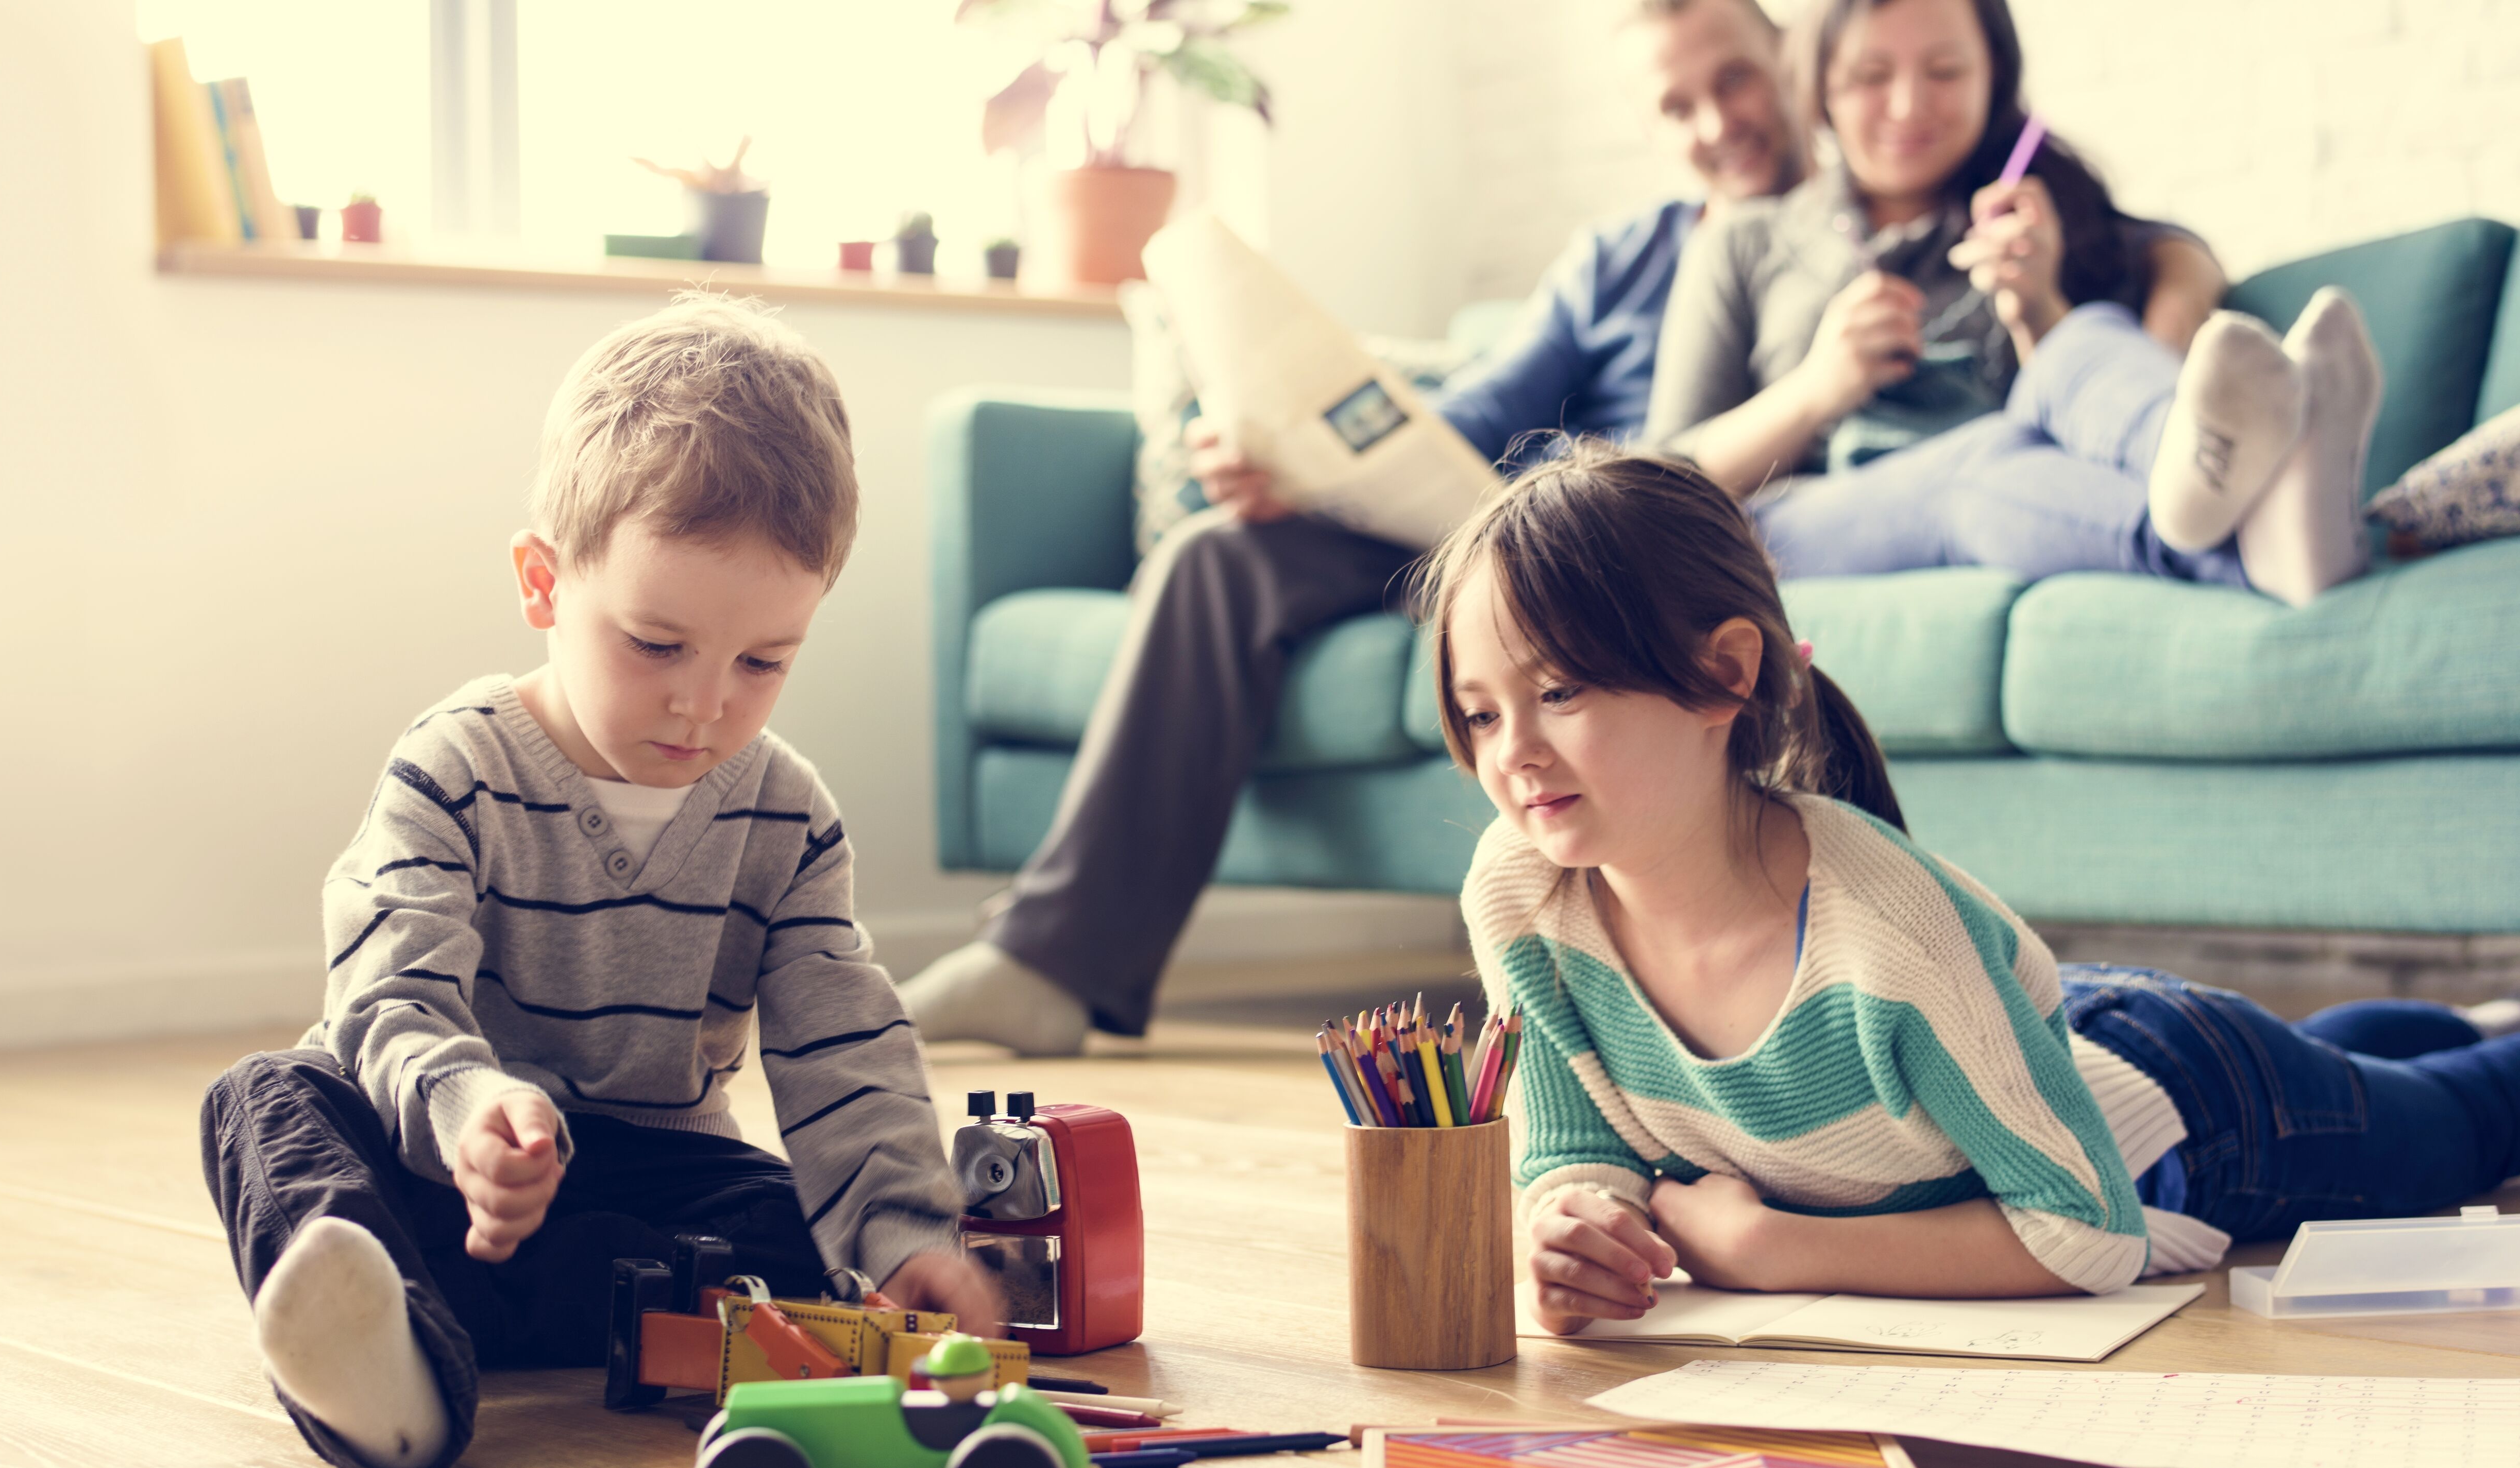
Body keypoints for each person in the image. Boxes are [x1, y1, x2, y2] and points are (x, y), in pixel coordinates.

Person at [1424, 445, 2519, 1327]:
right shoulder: (1522, 896)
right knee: (2358, 1060)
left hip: (2195, 1111)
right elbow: (1575, 1145)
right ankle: (2432, 1026)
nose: (1511, 752)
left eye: (1558, 692)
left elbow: (2087, 1230)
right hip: (2029, 1048)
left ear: (1724, 676)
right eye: (1479, 712)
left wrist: (1775, 1248)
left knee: (2469, 1122)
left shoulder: (1888, 928)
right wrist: (1576, 1226)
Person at [901, 0, 1814, 1057]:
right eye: (1677, 105)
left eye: (1733, 82)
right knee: (1219, 557)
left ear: (1788, 62)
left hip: (1629, 564)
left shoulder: (1831, 250)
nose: (1715, 123)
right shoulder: (1622, 257)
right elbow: (1477, 412)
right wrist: (1302, 470)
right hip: (1493, 535)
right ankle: (1046, 962)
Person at [197, 294, 1002, 1468]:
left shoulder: (785, 816)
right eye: (656, 644)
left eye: (764, 661)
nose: (705, 704)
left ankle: (494, 1316)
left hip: (643, 1181)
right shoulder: (453, 767)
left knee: (797, 1223)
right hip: (438, 1167)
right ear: (542, 583)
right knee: (265, 1101)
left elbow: (842, 1040)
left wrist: (901, 1235)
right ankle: (394, 1372)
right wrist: (471, 1109)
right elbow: (389, 996)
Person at [1646, 0, 2378, 607]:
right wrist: (1816, 388)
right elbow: (1659, 480)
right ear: (1821, 87)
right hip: (1804, 518)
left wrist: (2039, 307)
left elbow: (2172, 248)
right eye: (1871, 76)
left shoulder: (2034, 208)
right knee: (1985, 458)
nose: (1908, 105)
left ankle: (2235, 466)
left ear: (1993, 76)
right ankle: (2263, 536)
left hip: (2024, 479)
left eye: (1945, 71)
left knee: (2080, 338)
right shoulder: (1747, 242)